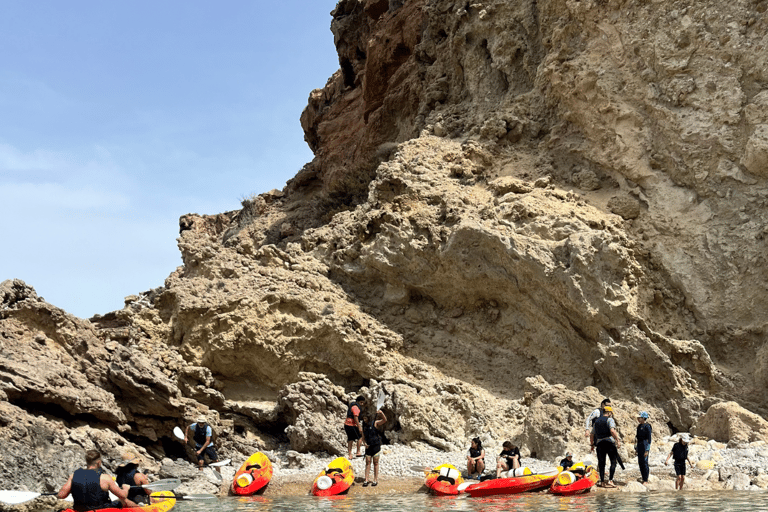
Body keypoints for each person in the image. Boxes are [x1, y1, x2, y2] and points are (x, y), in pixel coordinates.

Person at [57, 450, 128, 511]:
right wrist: (126, 488)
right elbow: (122, 496)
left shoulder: (73, 476)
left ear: (87, 461)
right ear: (99, 462)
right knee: (124, 501)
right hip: (100, 510)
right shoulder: (104, 478)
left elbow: (61, 495)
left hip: (80, 509)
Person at [591, 406, 621, 487]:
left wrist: (592, 445)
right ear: (609, 413)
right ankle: (610, 480)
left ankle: (602, 482)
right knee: (613, 461)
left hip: (600, 444)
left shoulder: (596, 421)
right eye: (611, 413)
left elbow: (592, 434)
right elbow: (612, 430)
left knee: (601, 463)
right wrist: (617, 439)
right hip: (609, 443)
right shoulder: (610, 419)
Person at [362, 409, 387, 487]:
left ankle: (375, 480)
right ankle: (366, 479)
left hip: (376, 446)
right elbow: (363, 437)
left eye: (365, 418)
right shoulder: (363, 425)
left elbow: (384, 420)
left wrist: (381, 413)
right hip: (368, 447)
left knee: (375, 463)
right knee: (367, 462)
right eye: (363, 418)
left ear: (368, 418)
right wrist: (364, 444)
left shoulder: (375, 423)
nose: (364, 419)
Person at [635, 411, 652, 484]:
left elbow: (649, 439)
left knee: (645, 462)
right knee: (640, 462)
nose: (638, 419)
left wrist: (647, 450)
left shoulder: (647, 426)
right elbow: (637, 438)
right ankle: (643, 477)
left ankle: (646, 479)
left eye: (640, 418)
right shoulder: (639, 426)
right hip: (639, 444)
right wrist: (636, 448)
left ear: (643, 418)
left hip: (645, 444)